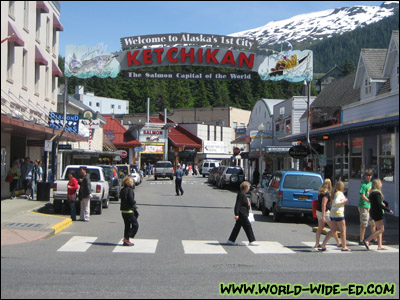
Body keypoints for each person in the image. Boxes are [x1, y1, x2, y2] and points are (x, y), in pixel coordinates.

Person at [319, 181, 352, 252]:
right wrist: (344, 201)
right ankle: (344, 246)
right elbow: (337, 202)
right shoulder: (340, 193)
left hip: (333, 213)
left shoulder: (334, 194)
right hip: (339, 213)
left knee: (333, 230)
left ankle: (323, 244)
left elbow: (332, 203)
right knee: (343, 230)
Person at [363, 179, 393, 251]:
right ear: (378, 184)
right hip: (377, 212)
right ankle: (367, 240)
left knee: (379, 229)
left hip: (373, 211)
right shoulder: (377, 193)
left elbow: (374, 203)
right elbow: (379, 204)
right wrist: (388, 210)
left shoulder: (371, 193)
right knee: (381, 229)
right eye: (381, 183)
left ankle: (380, 245)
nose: (382, 184)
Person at [227, 181, 259, 246]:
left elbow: (243, 204)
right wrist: (236, 214)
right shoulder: (241, 194)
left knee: (237, 227)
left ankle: (231, 240)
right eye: (249, 187)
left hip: (242, 214)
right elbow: (237, 205)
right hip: (242, 214)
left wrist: (248, 204)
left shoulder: (242, 194)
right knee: (248, 226)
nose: (249, 188)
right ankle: (252, 241)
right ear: (246, 188)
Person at [314, 179, 341, 248]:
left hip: (318, 211)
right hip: (325, 212)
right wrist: (323, 216)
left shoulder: (320, 192)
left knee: (320, 228)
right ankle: (338, 242)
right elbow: (324, 204)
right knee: (333, 227)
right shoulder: (326, 194)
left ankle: (317, 243)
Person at [358, 169, 376, 245]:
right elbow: (362, 195)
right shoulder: (364, 185)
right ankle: (361, 239)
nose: (368, 177)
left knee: (372, 223)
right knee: (364, 223)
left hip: (371, 206)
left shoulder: (372, 184)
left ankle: (375, 238)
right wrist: (369, 201)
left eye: (370, 175)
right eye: (367, 175)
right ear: (365, 176)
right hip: (364, 205)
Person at [120, 176, 139, 246]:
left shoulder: (122, 190)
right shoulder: (129, 190)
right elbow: (131, 199)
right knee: (135, 225)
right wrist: (134, 203)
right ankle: (127, 238)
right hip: (129, 210)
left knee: (127, 225)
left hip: (123, 211)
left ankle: (126, 240)